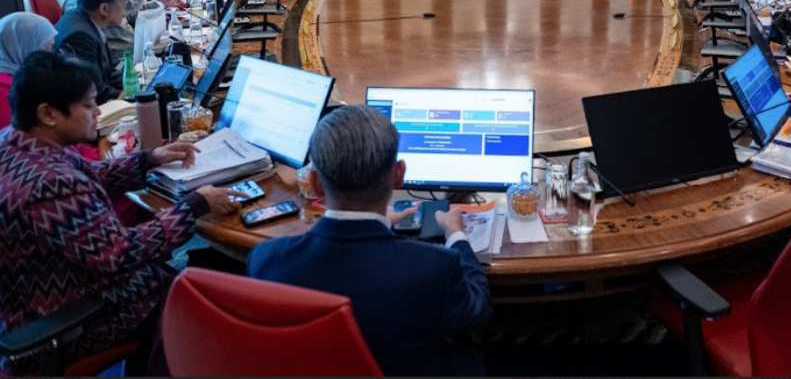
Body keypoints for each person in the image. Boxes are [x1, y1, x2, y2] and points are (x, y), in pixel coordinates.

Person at [0, 51, 242, 374]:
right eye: (88, 105)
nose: (97, 112)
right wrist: (195, 205)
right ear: (48, 114)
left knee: (180, 273)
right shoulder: (51, 185)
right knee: (187, 290)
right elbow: (120, 252)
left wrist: (149, 159)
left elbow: (89, 173)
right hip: (70, 318)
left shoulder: (16, 143)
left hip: (33, 300)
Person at [247, 105, 491, 375]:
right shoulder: (435, 266)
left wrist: (382, 223)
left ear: (315, 184)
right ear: (399, 175)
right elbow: (475, 311)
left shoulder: (267, 259)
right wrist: (456, 236)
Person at [54, 0, 125, 103]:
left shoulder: (82, 19)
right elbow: (96, 91)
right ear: (104, 9)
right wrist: (131, 97)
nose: (125, 6)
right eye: (122, 1)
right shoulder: (80, 36)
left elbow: (108, 74)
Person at [0, 13, 56, 128]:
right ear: (23, 47)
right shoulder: (7, 90)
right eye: (47, 48)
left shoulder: (22, 76)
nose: (51, 54)